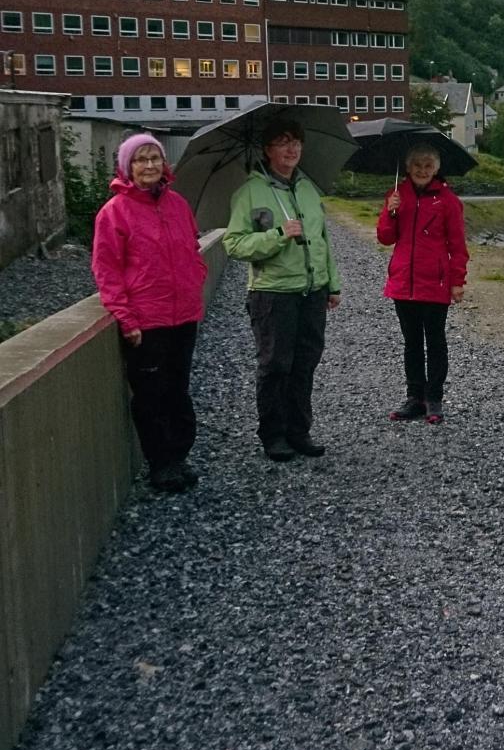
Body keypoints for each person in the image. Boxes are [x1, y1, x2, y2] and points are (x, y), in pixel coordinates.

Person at [91, 133, 208, 493]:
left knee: (178, 389)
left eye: (155, 158)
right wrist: (126, 317)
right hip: (146, 319)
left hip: (183, 315)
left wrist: (195, 279)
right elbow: (107, 270)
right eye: (140, 159)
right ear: (127, 167)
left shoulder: (178, 204)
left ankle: (179, 456)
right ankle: (160, 463)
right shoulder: (114, 212)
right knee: (150, 394)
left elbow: (192, 247)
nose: (149, 165)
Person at [222, 118, 341, 461]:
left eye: (297, 142)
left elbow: (322, 240)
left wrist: (332, 284)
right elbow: (234, 244)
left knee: (305, 363)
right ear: (267, 150)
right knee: (275, 365)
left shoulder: (307, 189)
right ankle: (273, 435)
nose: (292, 149)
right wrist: (278, 235)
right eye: (283, 142)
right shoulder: (249, 192)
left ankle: (298, 430)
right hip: (273, 293)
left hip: (311, 291)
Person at [376, 141, 468, 423]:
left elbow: (458, 245)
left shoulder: (448, 201)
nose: (422, 170)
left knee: (435, 341)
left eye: (428, 165)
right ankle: (415, 397)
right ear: (408, 167)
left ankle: (434, 398)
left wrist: (457, 281)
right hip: (404, 281)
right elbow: (385, 238)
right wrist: (390, 212)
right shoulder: (397, 195)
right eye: (417, 165)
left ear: (436, 169)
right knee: (412, 342)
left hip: (435, 282)